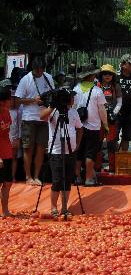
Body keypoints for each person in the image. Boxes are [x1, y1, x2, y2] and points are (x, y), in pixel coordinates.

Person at [40, 89, 82, 218]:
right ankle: (53, 207)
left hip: (70, 151)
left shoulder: (74, 112)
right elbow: (42, 116)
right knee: (57, 181)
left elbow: (80, 129)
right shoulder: (53, 111)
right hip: (56, 151)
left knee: (68, 180)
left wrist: (77, 145)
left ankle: (64, 207)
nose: (73, 99)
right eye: (70, 97)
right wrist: (53, 105)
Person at [14, 56, 55, 185]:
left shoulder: (48, 77)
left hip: (44, 117)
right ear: (33, 69)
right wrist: (33, 100)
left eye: (41, 69)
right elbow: (17, 100)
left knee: (41, 148)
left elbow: (53, 94)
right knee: (28, 148)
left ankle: (37, 176)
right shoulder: (25, 80)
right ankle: (28, 176)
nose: (39, 72)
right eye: (37, 70)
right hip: (29, 118)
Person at [72, 67, 108, 186]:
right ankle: (88, 179)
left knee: (79, 152)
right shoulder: (97, 91)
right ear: (91, 76)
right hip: (93, 127)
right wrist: (106, 125)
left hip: (78, 126)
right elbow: (102, 111)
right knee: (90, 154)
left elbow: (72, 107)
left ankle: (76, 178)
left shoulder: (75, 89)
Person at [0, 87, 13, 216]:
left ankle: (5, 211)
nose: (11, 101)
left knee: (7, 183)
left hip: (7, 151)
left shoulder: (7, 112)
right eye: (10, 99)